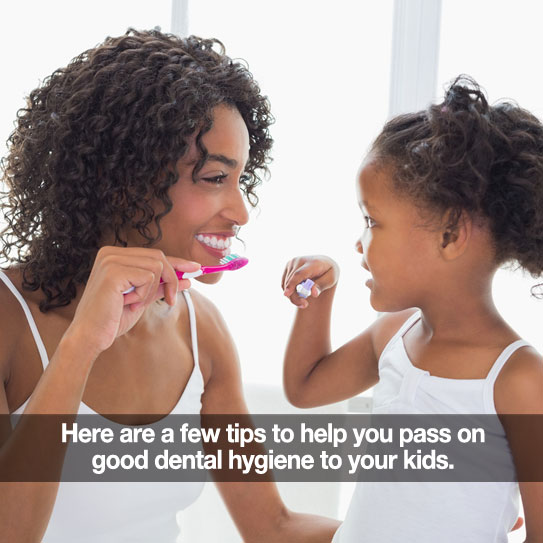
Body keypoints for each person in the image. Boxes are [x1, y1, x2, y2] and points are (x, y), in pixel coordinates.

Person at [0, 28, 339, 542]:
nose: (242, 211)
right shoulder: (7, 317)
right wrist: (80, 346)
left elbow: (274, 527)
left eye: (241, 179)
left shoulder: (202, 329)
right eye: (214, 178)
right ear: (125, 181)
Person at [281, 77, 543, 542]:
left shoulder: (519, 381)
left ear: (449, 235)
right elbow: (305, 388)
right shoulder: (395, 333)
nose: (359, 243)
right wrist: (316, 299)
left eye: (372, 221)